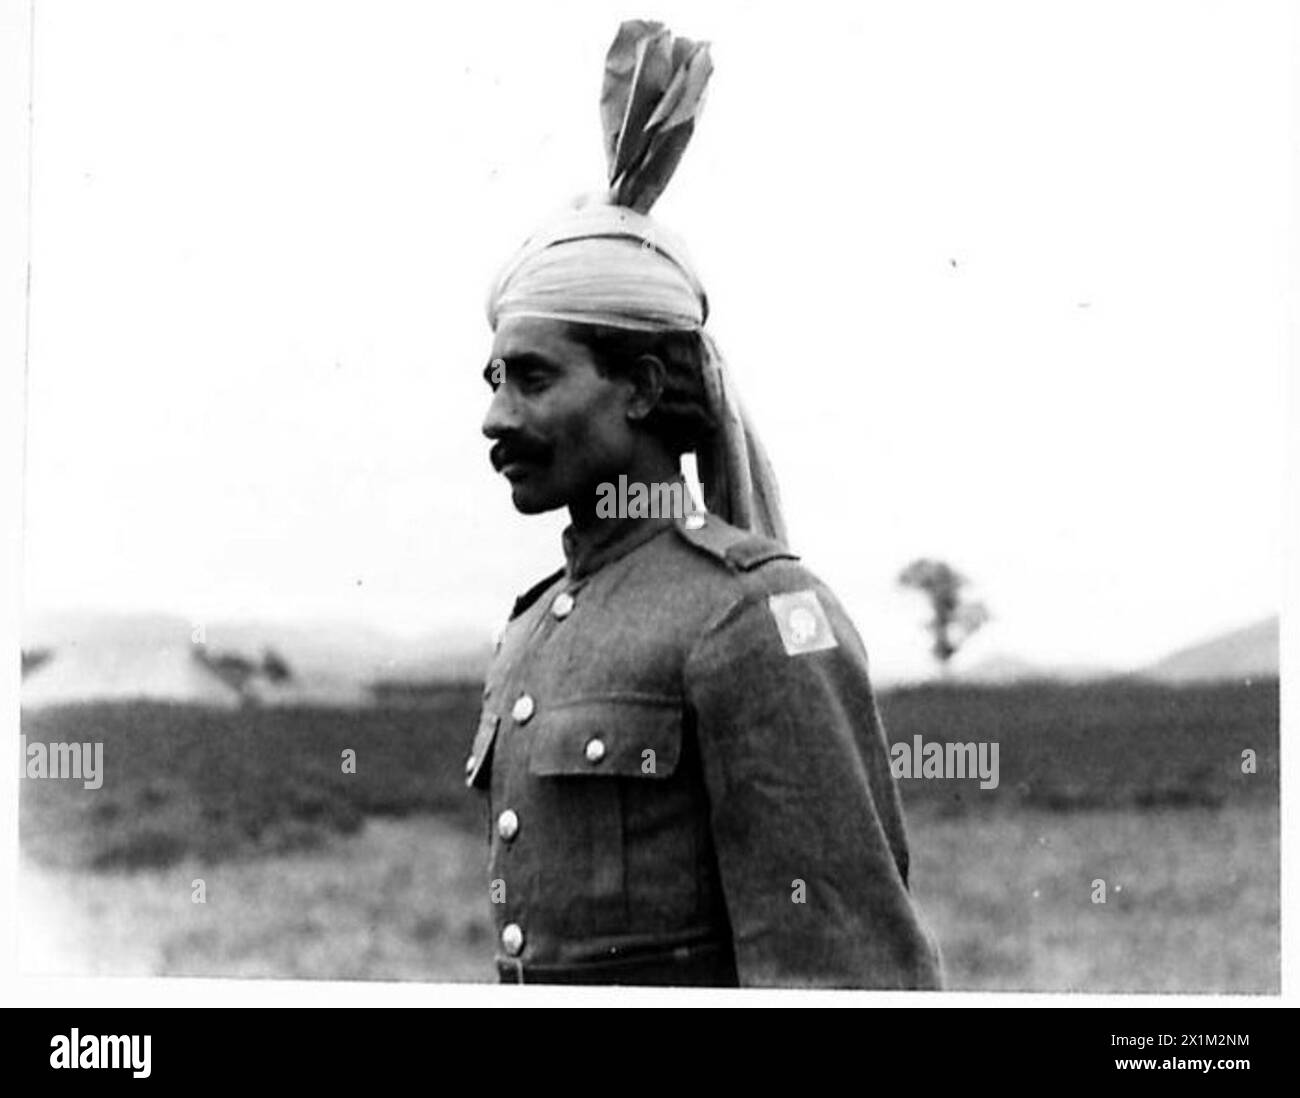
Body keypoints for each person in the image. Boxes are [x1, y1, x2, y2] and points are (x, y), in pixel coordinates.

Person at [467, 19, 943, 988]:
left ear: (640, 387)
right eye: (490, 380)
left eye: (529, 378)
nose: (494, 418)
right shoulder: (530, 631)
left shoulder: (750, 614)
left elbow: (840, 969)